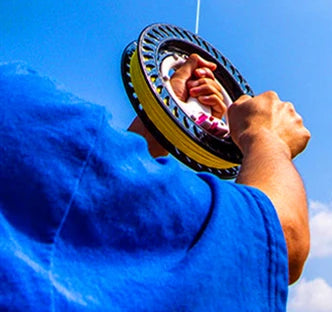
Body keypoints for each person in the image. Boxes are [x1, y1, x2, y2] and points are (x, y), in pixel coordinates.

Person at [0, 56, 311, 312]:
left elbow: (96, 208)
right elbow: (279, 237)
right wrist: (266, 136)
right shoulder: (13, 99)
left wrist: (168, 113)